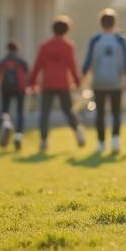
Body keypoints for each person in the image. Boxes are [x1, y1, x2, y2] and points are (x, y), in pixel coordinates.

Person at [29, 16, 84, 153]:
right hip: (63, 84)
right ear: (66, 30)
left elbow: (37, 65)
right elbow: (72, 65)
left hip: (47, 83)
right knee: (68, 111)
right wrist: (77, 81)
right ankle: (77, 131)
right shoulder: (68, 46)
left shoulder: (44, 46)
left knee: (45, 113)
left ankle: (43, 140)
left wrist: (32, 82)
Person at [82, 8, 126, 155]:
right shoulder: (120, 40)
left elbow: (88, 62)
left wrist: (82, 78)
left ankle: (101, 143)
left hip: (99, 81)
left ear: (100, 23)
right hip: (115, 81)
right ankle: (115, 140)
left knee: (100, 113)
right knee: (116, 112)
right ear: (114, 23)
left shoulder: (95, 40)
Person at [0, 41, 29, 151]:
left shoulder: (3, 61)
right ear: (17, 49)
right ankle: (18, 135)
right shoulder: (22, 61)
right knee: (20, 112)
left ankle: (6, 125)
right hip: (20, 89)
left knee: (5, 110)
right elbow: (28, 74)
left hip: (6, 89)